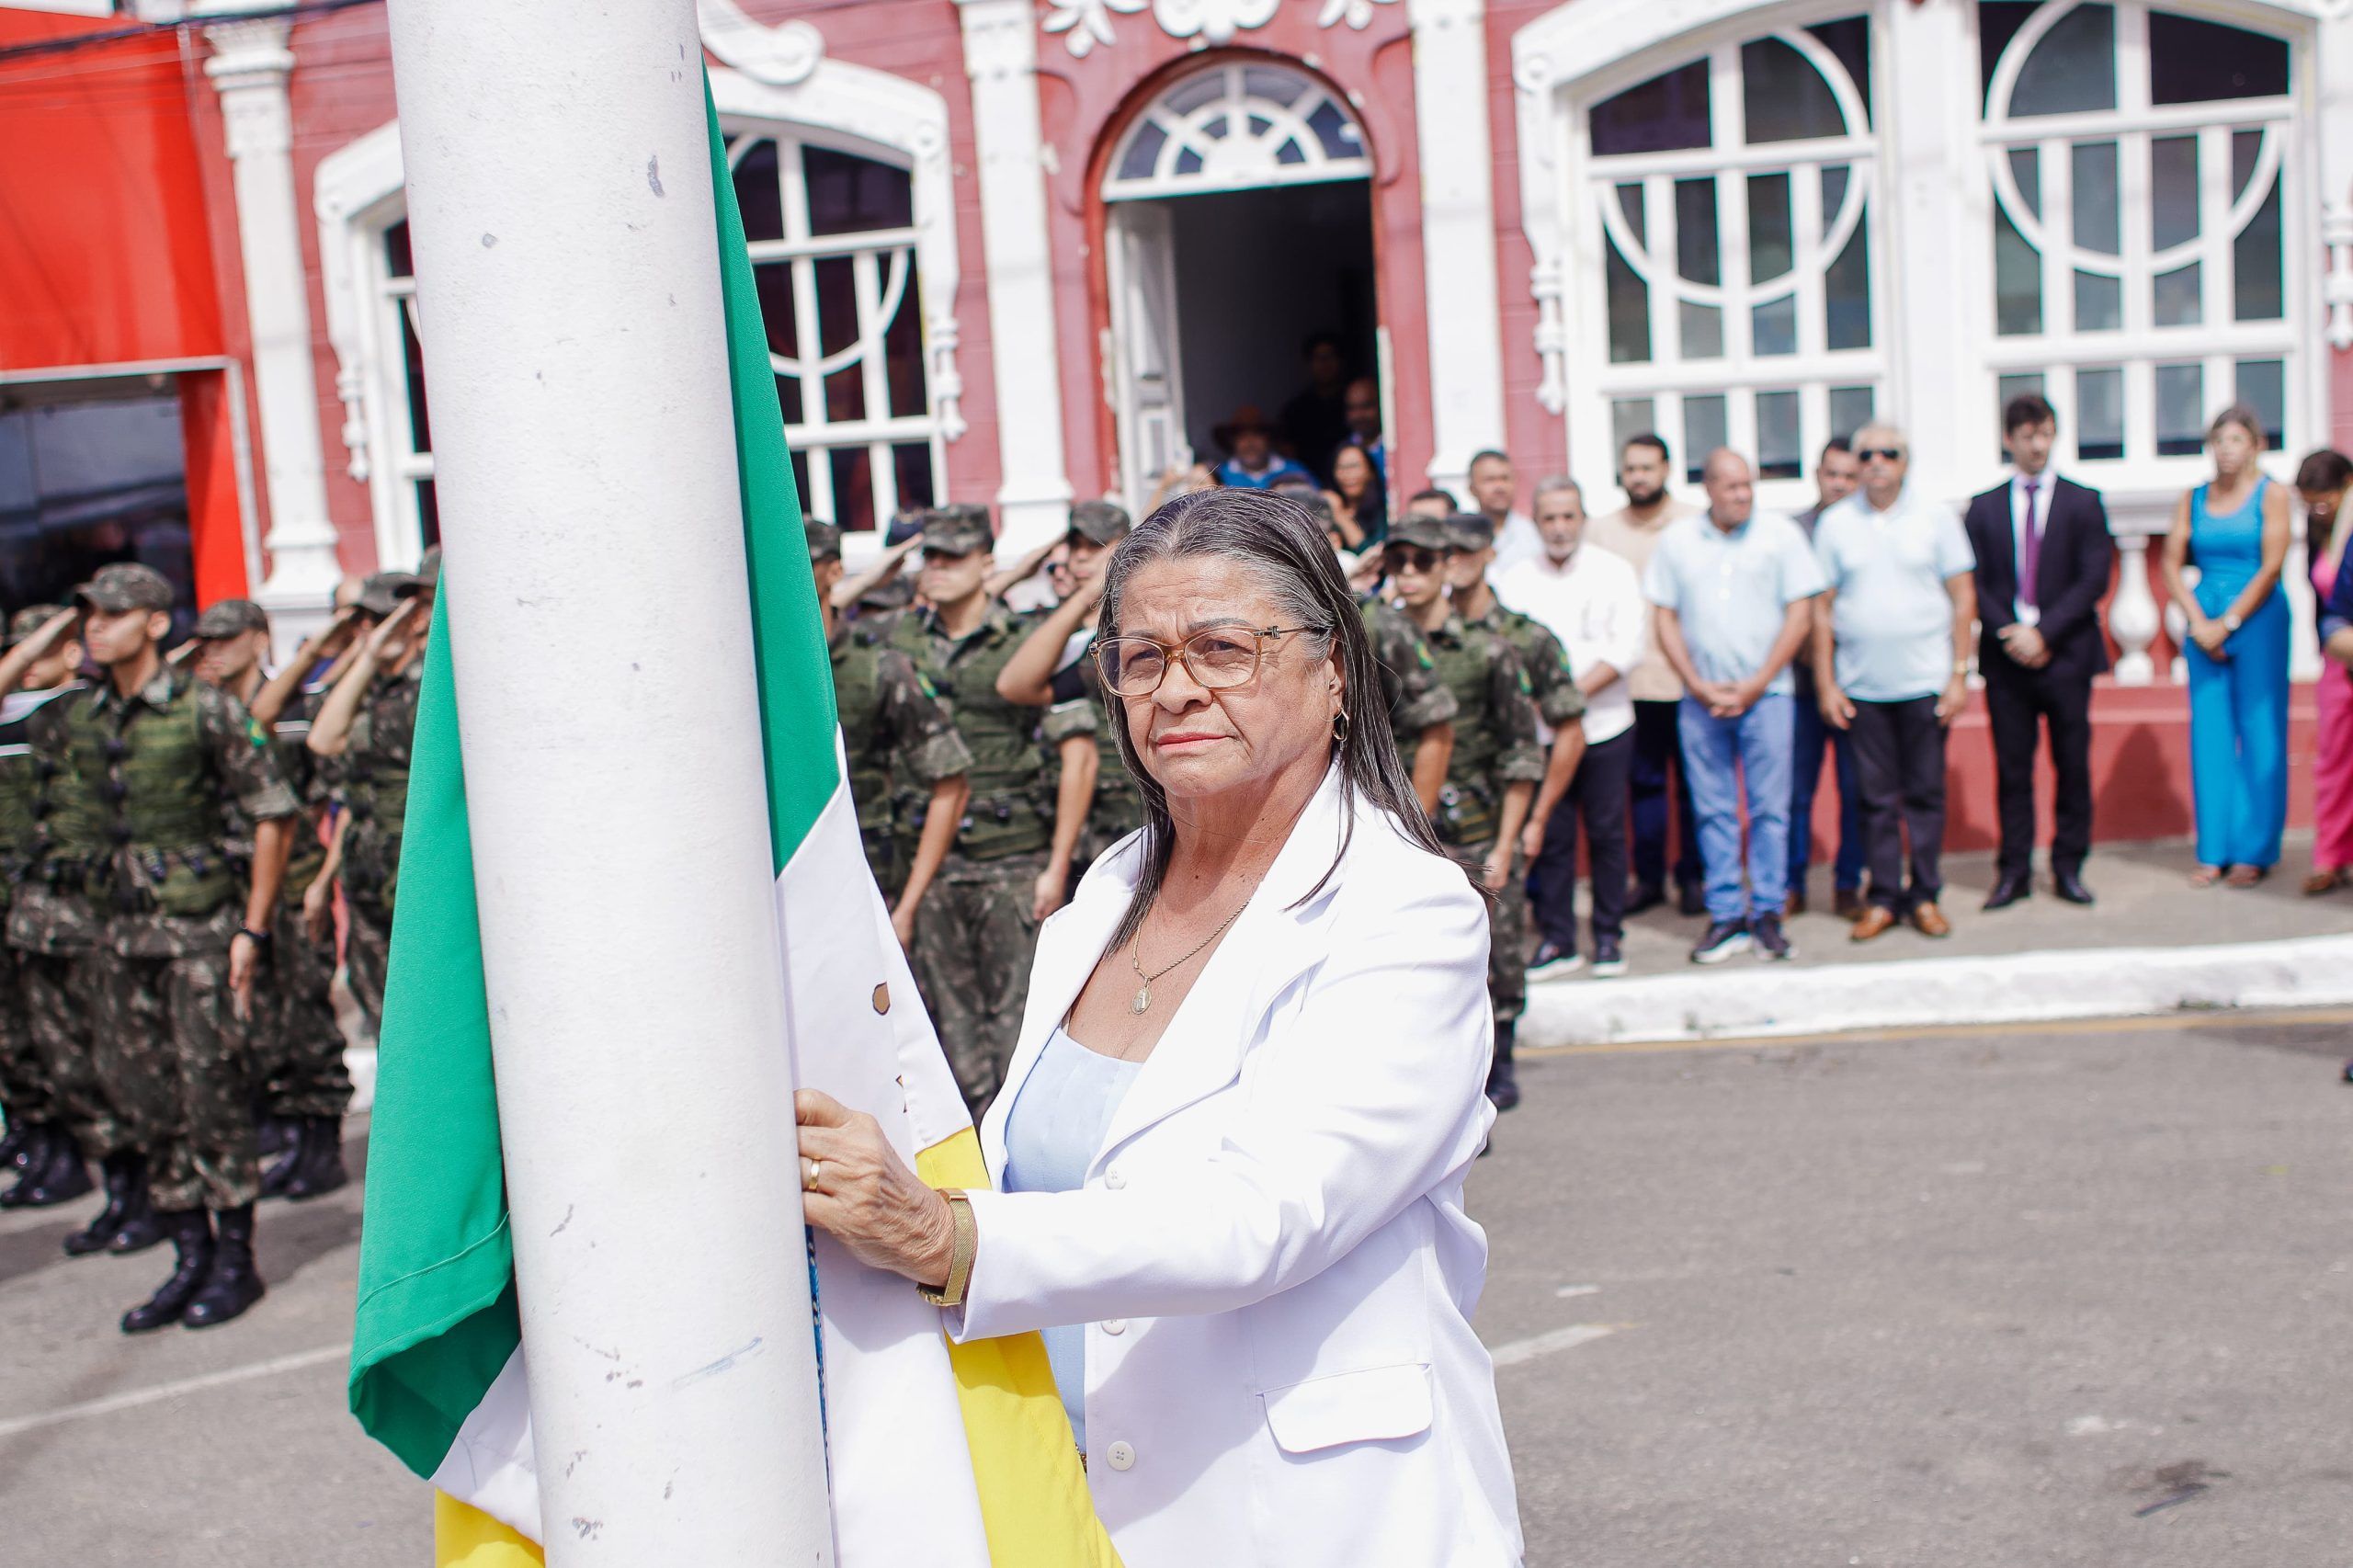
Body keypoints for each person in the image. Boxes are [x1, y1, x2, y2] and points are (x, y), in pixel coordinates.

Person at [790, 488, 1521, 1567]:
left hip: (1305, 1514)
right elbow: (1028, 1171)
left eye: (1223, 648)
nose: (1176, 688)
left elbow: (1264, 1216)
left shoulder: (1405, 910)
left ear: (1332, 674)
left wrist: (944, 1236)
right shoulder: (1108, 891)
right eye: (1141, 657)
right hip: (1066, 1500)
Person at [56, 563, 301, 1331]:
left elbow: (273, 812)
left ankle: (235, 1259)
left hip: (198, 936)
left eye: (113, 614)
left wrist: (251, 929)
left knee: (212, 1096)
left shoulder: (207, 712)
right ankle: (188, 1253)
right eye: (89, 615)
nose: (96, 627)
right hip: (118, 943)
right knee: (147, 1100)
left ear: (156, 623)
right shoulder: (87, 717)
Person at [887, 505, 1093, 1113]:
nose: (941, 569)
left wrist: (1056, 868)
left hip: (1012, 862)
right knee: (948, 1041)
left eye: (955, 556)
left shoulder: (1026, 643)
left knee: (1018, 1038)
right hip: (930, 865)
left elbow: (1076, 755)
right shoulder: (901, 644)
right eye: (933, 557)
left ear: (986, 563)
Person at [191, 599, 354, 1200]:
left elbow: (324, 801)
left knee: (307, 1016)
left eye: (228, 638)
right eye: (207, 639)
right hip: (241, 886)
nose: (215, 649)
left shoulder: (289, 711)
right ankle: (296, 1139)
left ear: (260, 639)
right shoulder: (209, 713)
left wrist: (319, 882)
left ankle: (323, 1147)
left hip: (292, 881)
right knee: (266, 1026)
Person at [1388, 515, 1545, 1110]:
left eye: (1422, 561)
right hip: (1404, 826)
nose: (1410, 574)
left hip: (1476, 828)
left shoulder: (1488, 650)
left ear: (1446, 568)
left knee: (1497, 954)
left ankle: (1499, 1061)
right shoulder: (1377, 643)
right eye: (1399, 562)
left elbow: (1521, 751)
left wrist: (1508, 842)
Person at [1643, 451, 1824, 964]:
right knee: (1713, 810)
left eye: (1748, 485)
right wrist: (1697, 683)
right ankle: (1726, 914)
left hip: (1767, 697)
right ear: (1708, 489)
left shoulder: (1781, 537)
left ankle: (1767, 910)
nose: (1742, 494)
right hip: (1700, 701)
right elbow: (1664, 616)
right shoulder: (1677, 541)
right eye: (1731, 486)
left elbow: (1800, 614)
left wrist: (1758, 681)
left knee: (1770, 809)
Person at [1813, 425, 1978, 942]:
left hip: (1925, 684)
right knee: (1874, 801)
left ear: (1906, 463)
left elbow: (1964, 597)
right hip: (1862, 689)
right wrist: (1826, 682)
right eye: (1868, 455)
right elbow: (1821, 609)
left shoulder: (1936, 518)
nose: (1878, 462)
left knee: (1925, 796)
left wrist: (1958, 676)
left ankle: (1925, 895)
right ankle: (1883, 898)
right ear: (1856, 463)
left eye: (1890, 453)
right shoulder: (1836, 524)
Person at [1965, 393, 2117, 911]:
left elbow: (2093, 577)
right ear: (2009, 439)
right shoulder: (1984, 507)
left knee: (2071, 765)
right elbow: (1975, 581)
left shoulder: (2083, 501)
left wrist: (2044, 632)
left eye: (2045, 433)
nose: (2037, 444)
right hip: (2007, 661)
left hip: (2066, 655)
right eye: (2027, 435)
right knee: (2013, 770)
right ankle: (2013, 871)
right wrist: (2010, 630)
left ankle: (2069, 866)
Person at [1500, 478, 1645, 980]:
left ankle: (1608, 936)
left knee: (1607, 834)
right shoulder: (1514, 579)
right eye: (1549, 518)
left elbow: (1625, 649)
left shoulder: (1615, 572)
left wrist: (1567, 700)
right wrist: (1544, 706)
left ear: (1582, 518)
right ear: (1536, 523)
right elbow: (1506, 649)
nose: (1560, 527)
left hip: (1605, 726)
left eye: (1568, 516)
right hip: (1541, 733)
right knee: (1551, 838)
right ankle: (1559, 938)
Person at [805, 521, 974, 945]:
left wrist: (907, 907)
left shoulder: (879, 667)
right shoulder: (753, 677)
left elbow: (951, 783)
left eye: (805, 565)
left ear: (832, 571)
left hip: (873, 884)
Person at [0, 606, 104, 1213]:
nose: (23, 663)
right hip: (17, 904)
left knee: (69, 1040)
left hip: (59, 905)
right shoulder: (15, 713)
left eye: (37, 650)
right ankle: (43, 1144)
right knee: (18, 1038)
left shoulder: (77, 708)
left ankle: (84, 1159)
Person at [2162, 406, 2292, 888]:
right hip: (2205, 618)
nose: (2227, 449)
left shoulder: (2271, 494)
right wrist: (2199, 622)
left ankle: (2254, 849)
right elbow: (2172, 562)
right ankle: (2213, 847)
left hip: (2257, 617)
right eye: (2219, 440)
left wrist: (2231, 621)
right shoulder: (2193, 498)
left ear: (2255, 444)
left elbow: (2272, 565)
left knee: (2261, 731)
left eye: (2237, 439)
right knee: (2210, 734)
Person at [306, 571, 428, 1030]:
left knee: (423, 1013)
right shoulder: (365, 692)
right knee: (382, 1010)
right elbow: (323, 739)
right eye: (361, 623)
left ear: (411, 623)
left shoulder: (425, 693)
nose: (367, 633)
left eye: (377, 621)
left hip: (411, 871)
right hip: (365, 872)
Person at [1587, 433, 1703, 917]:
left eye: (1647, 467)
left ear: (1667, 469)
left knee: (1695, 787)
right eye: (1630, 468)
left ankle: (1695, 879)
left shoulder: (1693, 525)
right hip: (1628, 686)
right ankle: (1650, 877)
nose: (1638, 477)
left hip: (1689, 680)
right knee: (1644, 786)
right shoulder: (1601, 531)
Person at [996, 501, 1144, 881]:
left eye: (1094, 547)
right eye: (1074, 547)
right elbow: (1014, 685)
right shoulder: (1062, 629)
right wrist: (1082, 599)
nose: (1080, 558)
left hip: (1141, 808)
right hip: (1081, 823)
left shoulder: (1138, 621)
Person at [1788, 439, 1866, 918]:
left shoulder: (1866, 530)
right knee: (1796, 791)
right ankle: (1792, 885)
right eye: (1830, 473)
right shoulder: (1794, 532)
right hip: (1798, 685)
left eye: (1847, 476)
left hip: (1856, 681)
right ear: (1816, 474)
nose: (1838, 484)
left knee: (1856, 790)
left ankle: (1848, 885)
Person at [2294, 450, 2353, 895]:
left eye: (2324, 500)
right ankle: (2330, 856)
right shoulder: (2321, 531)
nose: (2318, 509)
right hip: (2338, 660)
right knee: (2333, 762)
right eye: (2310, 502)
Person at [1279, 331, 1351, 485]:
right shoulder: (1296, 409)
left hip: (1349, 478)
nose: (1325, 364)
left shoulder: (1352, 404)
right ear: (1309, 363)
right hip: (1309, 481)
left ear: (1341, 361)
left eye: (1330, 357)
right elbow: (1289, 453)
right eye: (1319, 358)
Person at [1468, 449, 1543, 577]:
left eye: (1505, 479)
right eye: (1490, 480)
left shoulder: (1534, 534)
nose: (1499, 487)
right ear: (1472, 488)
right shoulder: (1462, 535)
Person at [1211, 405, 1315, 491]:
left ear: (1269, 438)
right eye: (1241, 435)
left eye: (1257, 433)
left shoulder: (1295, 470)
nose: (1249, 442)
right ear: (1232, 440)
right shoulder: (1218, 475)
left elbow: (1320, 506)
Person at [1323, 441, 1385, 551]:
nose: (1348, 474)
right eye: (1341, 467)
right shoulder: (1326, 507)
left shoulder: (1383, 511)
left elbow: (1371, 554)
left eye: (1354, 466)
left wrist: (1340, 515)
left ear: (1371, 472)